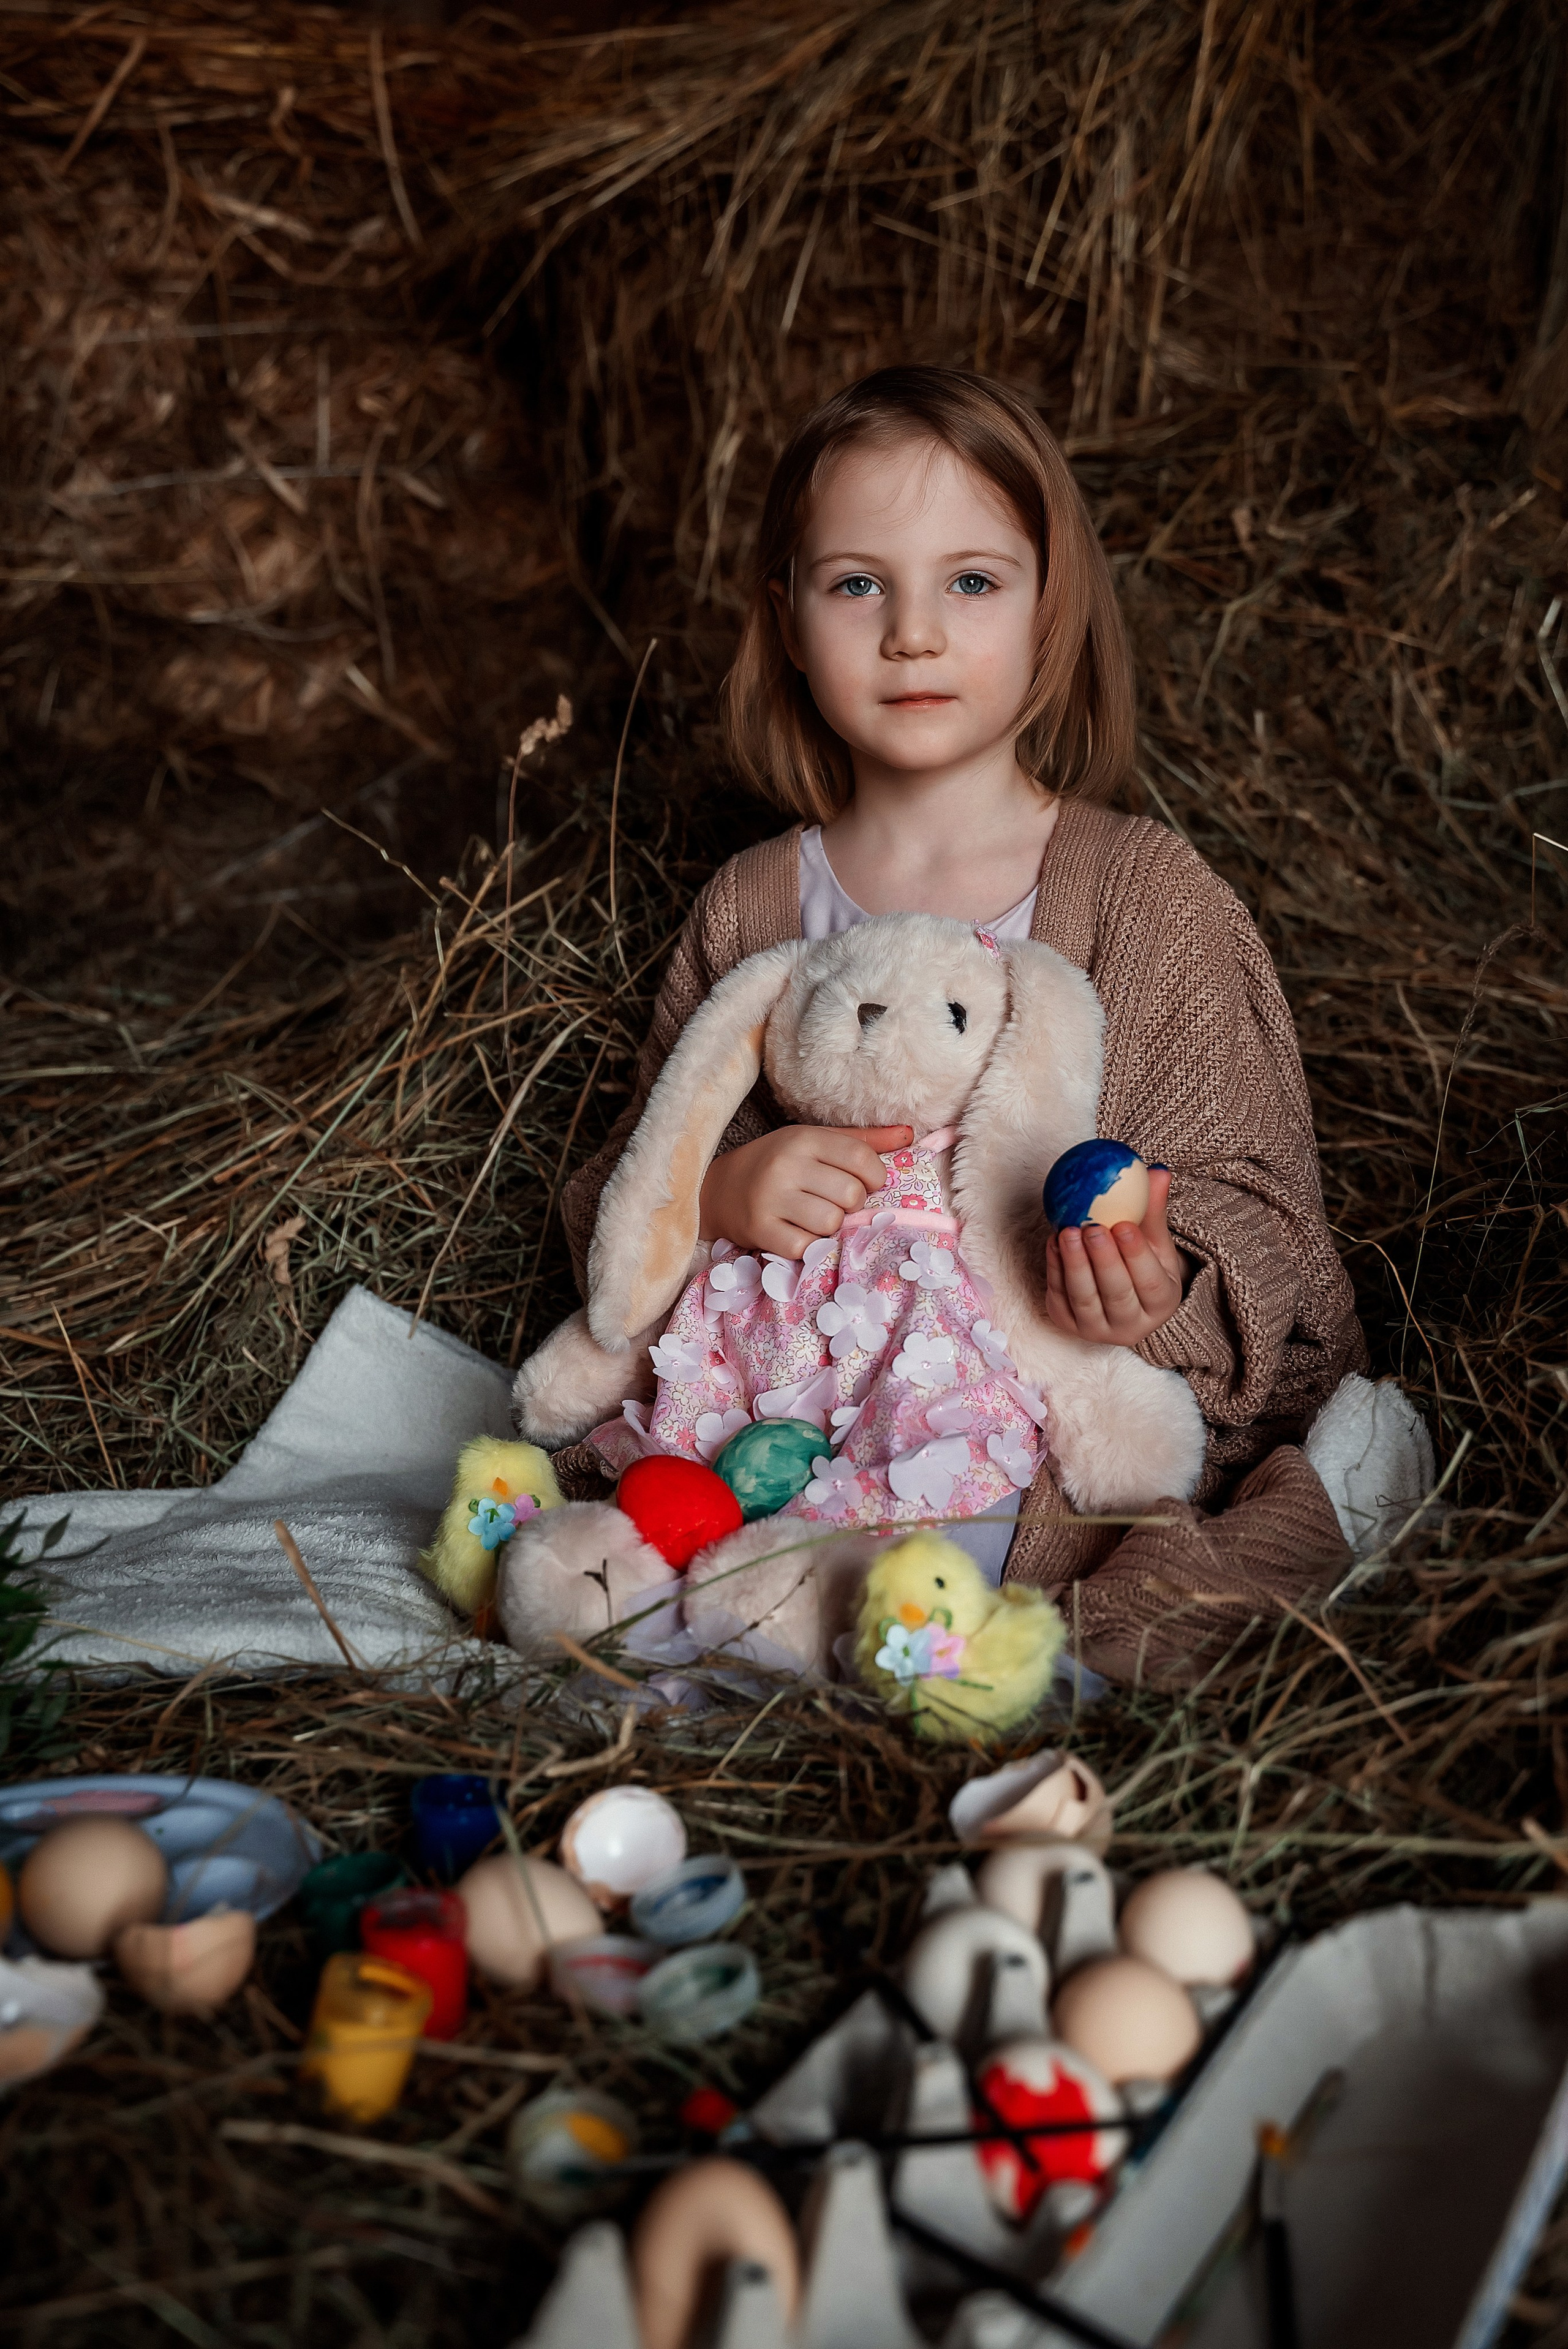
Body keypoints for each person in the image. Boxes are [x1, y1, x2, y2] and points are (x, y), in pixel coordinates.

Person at [558, 366, 1382, 1684]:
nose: (911, 634)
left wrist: (1159, 1285)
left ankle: (953, 1614)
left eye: (972, 582)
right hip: (803, 1424)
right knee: (614, 1546)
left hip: (1046, 1433)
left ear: (1048, 605)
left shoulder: (1145, 900)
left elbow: (1262, 1206)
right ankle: (784, 1595)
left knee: (1176, 1582)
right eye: (855, 584)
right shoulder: (755, 903)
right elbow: (626, 1175)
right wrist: (720, 1190)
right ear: (785, 616)